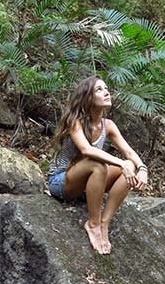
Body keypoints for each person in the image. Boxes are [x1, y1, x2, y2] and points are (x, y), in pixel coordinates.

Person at [47, 75, 148, 254]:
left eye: (106, 88)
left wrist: (142, 169)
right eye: (99, 89)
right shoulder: (75, 121)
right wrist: (120, 163)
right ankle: (92, 224)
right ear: (88, 97)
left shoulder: (108, 125)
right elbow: (87, 150)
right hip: (61, 181)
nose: (106, 92)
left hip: (86, 185)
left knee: (130, 165)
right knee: (98, 164)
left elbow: (130, 153)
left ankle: (103, 223)